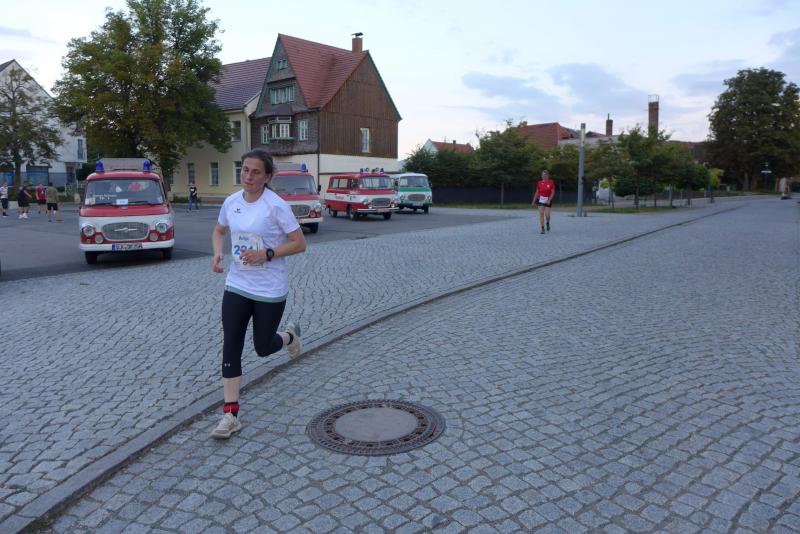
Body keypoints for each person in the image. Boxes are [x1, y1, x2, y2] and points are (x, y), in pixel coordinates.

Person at [210, 148, 306, 439]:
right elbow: (219, 230)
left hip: (269, 288)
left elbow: (299, 243)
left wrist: (267, 253)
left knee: (263, 347)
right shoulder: (231, 202)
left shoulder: (276, 206)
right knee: (231, 344)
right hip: (237, 284)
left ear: (267, 177)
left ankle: (289, 337)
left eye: (255, 172)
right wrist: (217, 253)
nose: (248, 176)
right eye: (245, 170)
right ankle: (230, 415)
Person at [532, 170, 556, 234]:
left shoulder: (551, 182)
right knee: (541, 213)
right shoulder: (539, 182)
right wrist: (533, 201)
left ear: (548, 175)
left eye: (545, 175)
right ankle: (542, 228)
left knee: (547, 215)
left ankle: (547, 222)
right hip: (540, 199)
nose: (544, 176)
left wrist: (549, 199)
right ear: (541, 176)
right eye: (543, 175)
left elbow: (553, 192)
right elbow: (537, 192)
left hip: (548, 200)